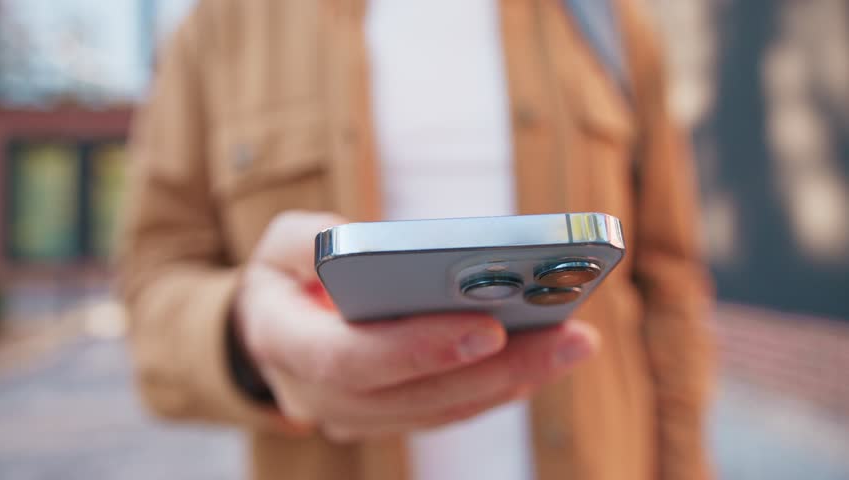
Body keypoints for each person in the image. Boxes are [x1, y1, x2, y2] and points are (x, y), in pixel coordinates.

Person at [119, 0, 715, 479]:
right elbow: (151, 293)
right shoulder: (219, 26)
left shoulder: (608, 19)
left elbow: (670, 287)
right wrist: (248, 335)